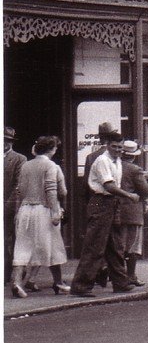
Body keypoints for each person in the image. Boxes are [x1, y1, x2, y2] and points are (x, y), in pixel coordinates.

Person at [69, 132, 140, 297]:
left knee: (115, 245)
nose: (117, 150)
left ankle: (120, 282)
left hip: (112, 203)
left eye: (120, 148)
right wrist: (129, 195)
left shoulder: (117, 162)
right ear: (107, 145)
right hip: (100, 202)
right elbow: (108, 186)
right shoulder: (102, 161)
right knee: (95, 245)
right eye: (114, 147)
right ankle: (80, 285)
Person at [10, 136, 70, 297]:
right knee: (53, 246)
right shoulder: (51, 166)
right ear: (52, 149)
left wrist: (17, 212)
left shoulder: (26, 166)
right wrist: (55, 212)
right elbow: (55, 190)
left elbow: (19, 191)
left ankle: (16, 282)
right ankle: (58, 283)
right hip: (44, 210)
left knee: (22, 247)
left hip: (25, 210)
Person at [118, 140, 148, 286]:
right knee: (132, 245)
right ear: (134, 155)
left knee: (119, 244)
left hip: (117, 210)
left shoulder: (115, 166)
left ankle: (116, 274)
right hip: (132, 210)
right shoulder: (135, 169)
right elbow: (146, 191)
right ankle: (131, 276)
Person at [4, 126, 27, 285]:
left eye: (8, 140)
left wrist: (7, 206)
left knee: (9, 240)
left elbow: (18, 186)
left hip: (8, 205)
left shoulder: (19, 159)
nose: (5, 143)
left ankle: (8, 274)